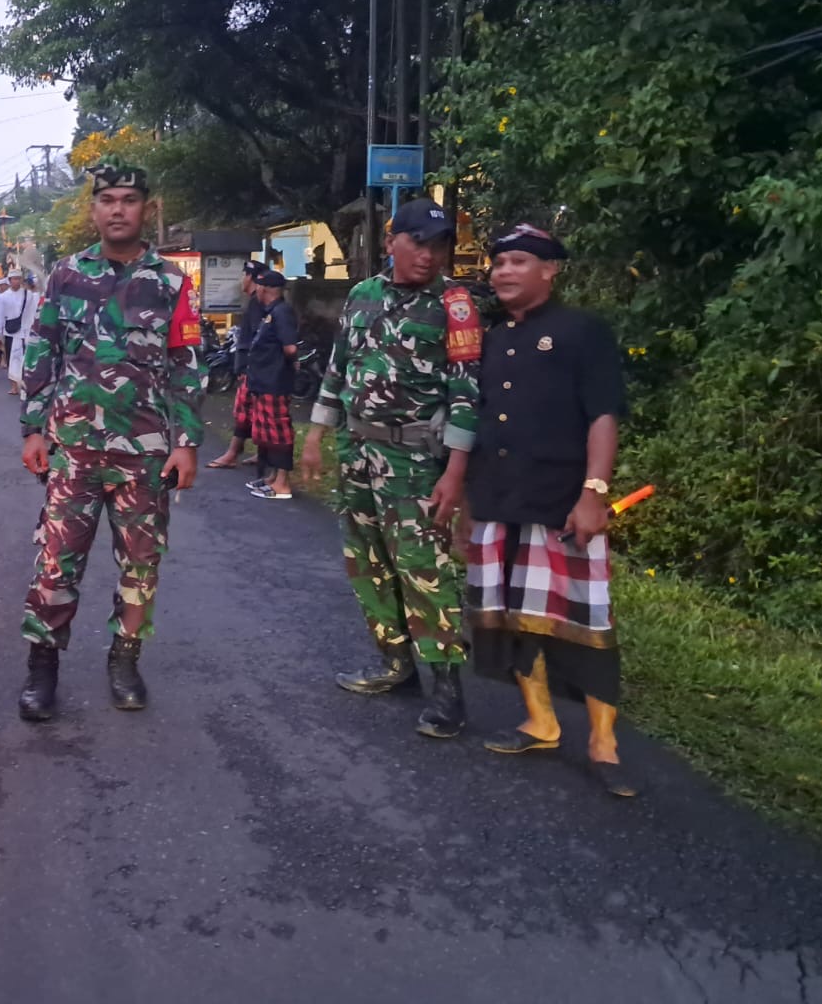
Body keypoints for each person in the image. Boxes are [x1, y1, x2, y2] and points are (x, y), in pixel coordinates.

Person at [17, 162, 204, 721]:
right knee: (55, 563)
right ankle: (41, 668)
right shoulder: (66, 275)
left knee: (141, 564)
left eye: (128, 199)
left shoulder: (171, 282)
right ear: (94, 209)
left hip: (143, 453)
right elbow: (41, 351)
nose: (118, 209)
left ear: (144, 207)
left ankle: (125, 660)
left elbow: (185, 364)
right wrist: (32, 428)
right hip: (73, 449)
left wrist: (187, 441)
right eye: (108, 200)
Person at [301, 198, 482, 739]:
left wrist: (455, 473)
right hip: (357, 451)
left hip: (414, 460)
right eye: (418, 242)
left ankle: (447, 691)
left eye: (438, 245)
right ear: (391, 241)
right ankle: (394, 662)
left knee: (424, 568)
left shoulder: (455, 306)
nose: (429, 255)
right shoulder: (361, 296)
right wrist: (315, 435)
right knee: (366, 561)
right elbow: (338, 369)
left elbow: (468, 396)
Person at [464, 225, 635, 797]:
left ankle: (603, 744)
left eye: (516, 261)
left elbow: (603, 415)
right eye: (497, 263)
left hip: (561, 502)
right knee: (511, 617)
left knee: (583, 619)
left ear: (550, 270)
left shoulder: (583, 331)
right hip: (497, 499)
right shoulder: (490, 338)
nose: (502, 272)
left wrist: (595, 492)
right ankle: (540, 722)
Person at [205, 259, 267, 470]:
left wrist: (247, 365)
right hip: (253, 366)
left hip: (254, 367)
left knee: (245, 412)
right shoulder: (255, 302)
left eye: (244, 275)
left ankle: (233, 453)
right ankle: (260, 453)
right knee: (254, 412)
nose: (242, 279)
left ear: (250, 277)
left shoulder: (258, 303)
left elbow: (259, 337)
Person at [244, 270, 299, 500]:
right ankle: (274, 477)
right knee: (268, 431)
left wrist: (281, 367)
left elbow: (290, 348)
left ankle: (283, 483)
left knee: (279, 432)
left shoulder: (281, 312)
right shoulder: (270, 313)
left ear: (263, 289)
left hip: (275, 381)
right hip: (264, 381)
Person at [0, 269, 33, 395]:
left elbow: (33, 312)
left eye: (19, 278)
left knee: (25, 359)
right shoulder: (3, 297)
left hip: (26, 332)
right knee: (11, 359)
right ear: (9, 281)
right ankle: (13, 386)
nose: (16, 281)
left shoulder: (28, 295)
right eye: (14, 279)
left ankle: (24, 384)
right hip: (10, 332)